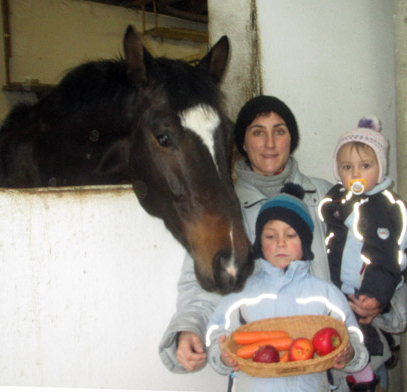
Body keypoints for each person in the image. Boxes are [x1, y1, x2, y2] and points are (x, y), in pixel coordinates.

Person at [158, 96, 407, 391]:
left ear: (292, 138)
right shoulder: (224, 210)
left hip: (351, 370)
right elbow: (200, 283)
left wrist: (383, 303)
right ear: (242, 143)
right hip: (267, 377)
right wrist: (189, 328)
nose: (270, 144)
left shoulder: (331, 199)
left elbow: (390, 256)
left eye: (279, 130)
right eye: (257, 132)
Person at [206, 184, 369, 391]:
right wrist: (221, 355)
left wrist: (351, 353)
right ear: (259, 243)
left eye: (291, 235)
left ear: (305, 242)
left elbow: (354, 338)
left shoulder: (326, 295)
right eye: (270, 236)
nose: (280, 243)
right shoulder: (241, 295)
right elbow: (214, 333)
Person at [319, 116, 407, 390]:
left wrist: (375, 296)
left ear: (380, 169)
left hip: (365, 291)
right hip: (339, 287)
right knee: (341, 336)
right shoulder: (340, 198)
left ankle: (367, 376)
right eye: (347, 167)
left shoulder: (382, 207)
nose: (355, 174)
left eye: (365, 166)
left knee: (361, 333)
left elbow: (385, 258)